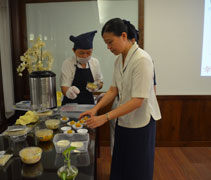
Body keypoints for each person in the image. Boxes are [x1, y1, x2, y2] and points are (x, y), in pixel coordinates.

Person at [79, 18, 161, 180]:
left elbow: (138, 100)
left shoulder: (142, 60)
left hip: (141, 122)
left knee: (137, 165)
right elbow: (112, 90)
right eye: (106, 44)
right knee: (121, 161)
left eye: (110, 42)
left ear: (124, 36)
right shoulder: (119, 61)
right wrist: (96, 109)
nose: (108, 47)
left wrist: (105, 116)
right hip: (123, 118)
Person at [60, 30, 103, 105]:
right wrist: (68, 91)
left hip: (88, 105)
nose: (85, 56)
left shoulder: (95, 62)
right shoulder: (68, 63)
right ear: (74, 50)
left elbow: (100, 82)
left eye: (88, 52)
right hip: (70, 105)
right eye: (81, 53)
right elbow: (64, 87)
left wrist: (96, 85)